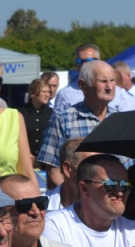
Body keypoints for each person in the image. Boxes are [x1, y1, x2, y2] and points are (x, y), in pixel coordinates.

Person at [37, 59, 119, 188]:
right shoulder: (64, 120)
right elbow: (53, 170)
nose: (109, 87)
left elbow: (131, 165)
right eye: (103, 81)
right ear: (82, 85)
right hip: (80, 202)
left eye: (112, 81)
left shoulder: (119, 120)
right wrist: (77, 198)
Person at [53, 43, 100, 109]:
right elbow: (56, 119)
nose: (83, 65)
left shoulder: (114, 91)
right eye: (79, 61)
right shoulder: (65, 94)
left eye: (88, 60)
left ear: (99, 61)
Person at [20, 77, 54, 164]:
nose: (47, 95)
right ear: (33, 93)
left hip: (46, 161)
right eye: (44, 92)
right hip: (25, 160)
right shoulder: (21, 113)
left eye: (48, 92)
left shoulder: (52, 114)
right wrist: (27, 154)